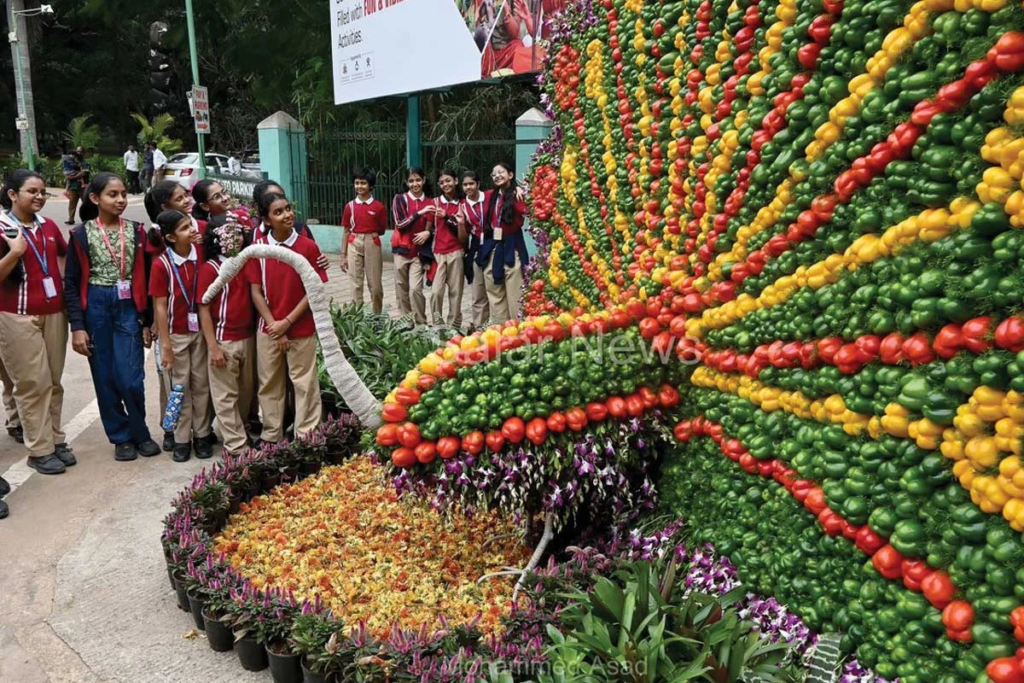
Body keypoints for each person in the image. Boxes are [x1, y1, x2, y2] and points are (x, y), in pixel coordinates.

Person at [64, 173, 160, 462]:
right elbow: (70, 283)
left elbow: (148, 276)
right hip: (96, 304)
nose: (120, 200)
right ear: (95, 199)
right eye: (113, 195)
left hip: (129, 304)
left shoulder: (136, 232)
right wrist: (77, 327)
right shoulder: (80, 235)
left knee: (130, 376)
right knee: (104, 375)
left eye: (123, 194)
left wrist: (146, 320)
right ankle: (120, 437)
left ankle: (140, 431)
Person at [0, 170, 73, 477]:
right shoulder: (4, 229)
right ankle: (39, 450)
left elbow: (62, 261)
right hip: (17, 315)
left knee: (54, 380)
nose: (40, 196)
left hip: (54, 313)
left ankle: (55, 439)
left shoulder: (50, 226)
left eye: (43, 191)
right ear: (12, 195)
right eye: (32, 191)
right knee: (32, 383)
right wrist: (15, 253)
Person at [247, 193, 327, 444]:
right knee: (269, 383)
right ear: (267, 220)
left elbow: (313, 290)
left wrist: (288, 323)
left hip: (301, 328)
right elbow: (255, 290)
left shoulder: (308, 247)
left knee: (305, 384)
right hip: (268, 328)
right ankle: (272, 434)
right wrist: (275, 327)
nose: (287, 214)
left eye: (288, 208)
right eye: (278, 212)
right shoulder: (259, 248)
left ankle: (306, 437)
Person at [145, 180, 208, 452]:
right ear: (170, 237)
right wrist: (166, 344)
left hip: (201, 331)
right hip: (176, 334)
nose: (192, 230)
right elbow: (160, 306)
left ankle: (203, 434)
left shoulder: (201, 254)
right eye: (184, 228)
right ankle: (179, 436)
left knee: (202, 385)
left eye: (190, 225)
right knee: (177, 388)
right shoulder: (161, 264)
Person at [198, 215, 255, 457]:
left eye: (239, 232)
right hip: (225, 339)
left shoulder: (247, 262)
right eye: (229, 233)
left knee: (245, 393)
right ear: (216, 237)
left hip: (249, 337)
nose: (237, 238)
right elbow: (203, 307)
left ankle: (239, 434)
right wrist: (213, 347)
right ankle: (236, 445)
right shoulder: (210, 269)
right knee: (225, 395)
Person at [477, 162, 529, 324]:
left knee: (515, 293)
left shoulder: (517, 195)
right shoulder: (489, 196)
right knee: (494, 291)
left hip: (512, 248)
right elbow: (469, 193)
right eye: (494, 174)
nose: (497, 175)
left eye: (501, 172)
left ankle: (518, 330)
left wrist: (523, 190)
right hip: (494, 246)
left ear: (510, 175)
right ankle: (500, 331)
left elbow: (531, 209)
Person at [340, 167, 386, 314]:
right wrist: (343, 255)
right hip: (354, 242)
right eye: (357, 183)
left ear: (370, 185)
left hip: (372, 241)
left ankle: (377, 316)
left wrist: (370, 237)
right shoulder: (350, 206)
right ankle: (357, 317)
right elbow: (346, 230)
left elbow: (382, 229)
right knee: (355, 283)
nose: (359, 186)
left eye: (363, 183)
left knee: (375, 285)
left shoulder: (378, 207)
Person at [390, 168, 434, 324]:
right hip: (401, 250)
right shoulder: (399, 199)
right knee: (401, 289)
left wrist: (427, 232)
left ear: (424, 180)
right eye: (411, 181)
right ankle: (405, 323)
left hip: (418, 253)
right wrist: (419, 213)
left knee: (416, 289)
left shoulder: (430, 202)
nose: (415, 184)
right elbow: (401, 225)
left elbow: (430, 226)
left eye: (418, 180)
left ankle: (421, 323)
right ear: (406, 183)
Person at [430, 169, 467, 329]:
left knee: (456, 292)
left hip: (456, 252)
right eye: (442, 182)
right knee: (435, 293)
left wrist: (446, 216)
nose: (445, 184)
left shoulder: (463, 203)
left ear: (456, 181)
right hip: (438, 253)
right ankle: (438, 326)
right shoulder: (435, 202)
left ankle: (454, 328)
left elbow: (465, 228)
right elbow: (428, 227)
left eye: (448, 180)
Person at [458, 171, 490, 331]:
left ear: (478, 184)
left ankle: (496, 325)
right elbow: (464, 236)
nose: (468, 187)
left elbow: (508, 193)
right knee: (478, 290)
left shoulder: (491, 196)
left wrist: (518, 190)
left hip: (494, 242)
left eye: (471, 183)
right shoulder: (462, 206)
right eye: (465, 184)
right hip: (477, 245)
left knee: (494, 287)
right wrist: (461, 223)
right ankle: (479, 327)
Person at [62, 147, 90, 226]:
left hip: (83, 187)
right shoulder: (70, 162)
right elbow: (68, 175)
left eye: (80, 151)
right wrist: (78, 174)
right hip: (73, 186)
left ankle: (86, 219)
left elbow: (85, 173)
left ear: (84, 153)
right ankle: (71, 219)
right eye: (77, 151)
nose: (78, 153)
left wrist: (72, 177)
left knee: (85, 203)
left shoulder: (85, 163)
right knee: (72, 203)